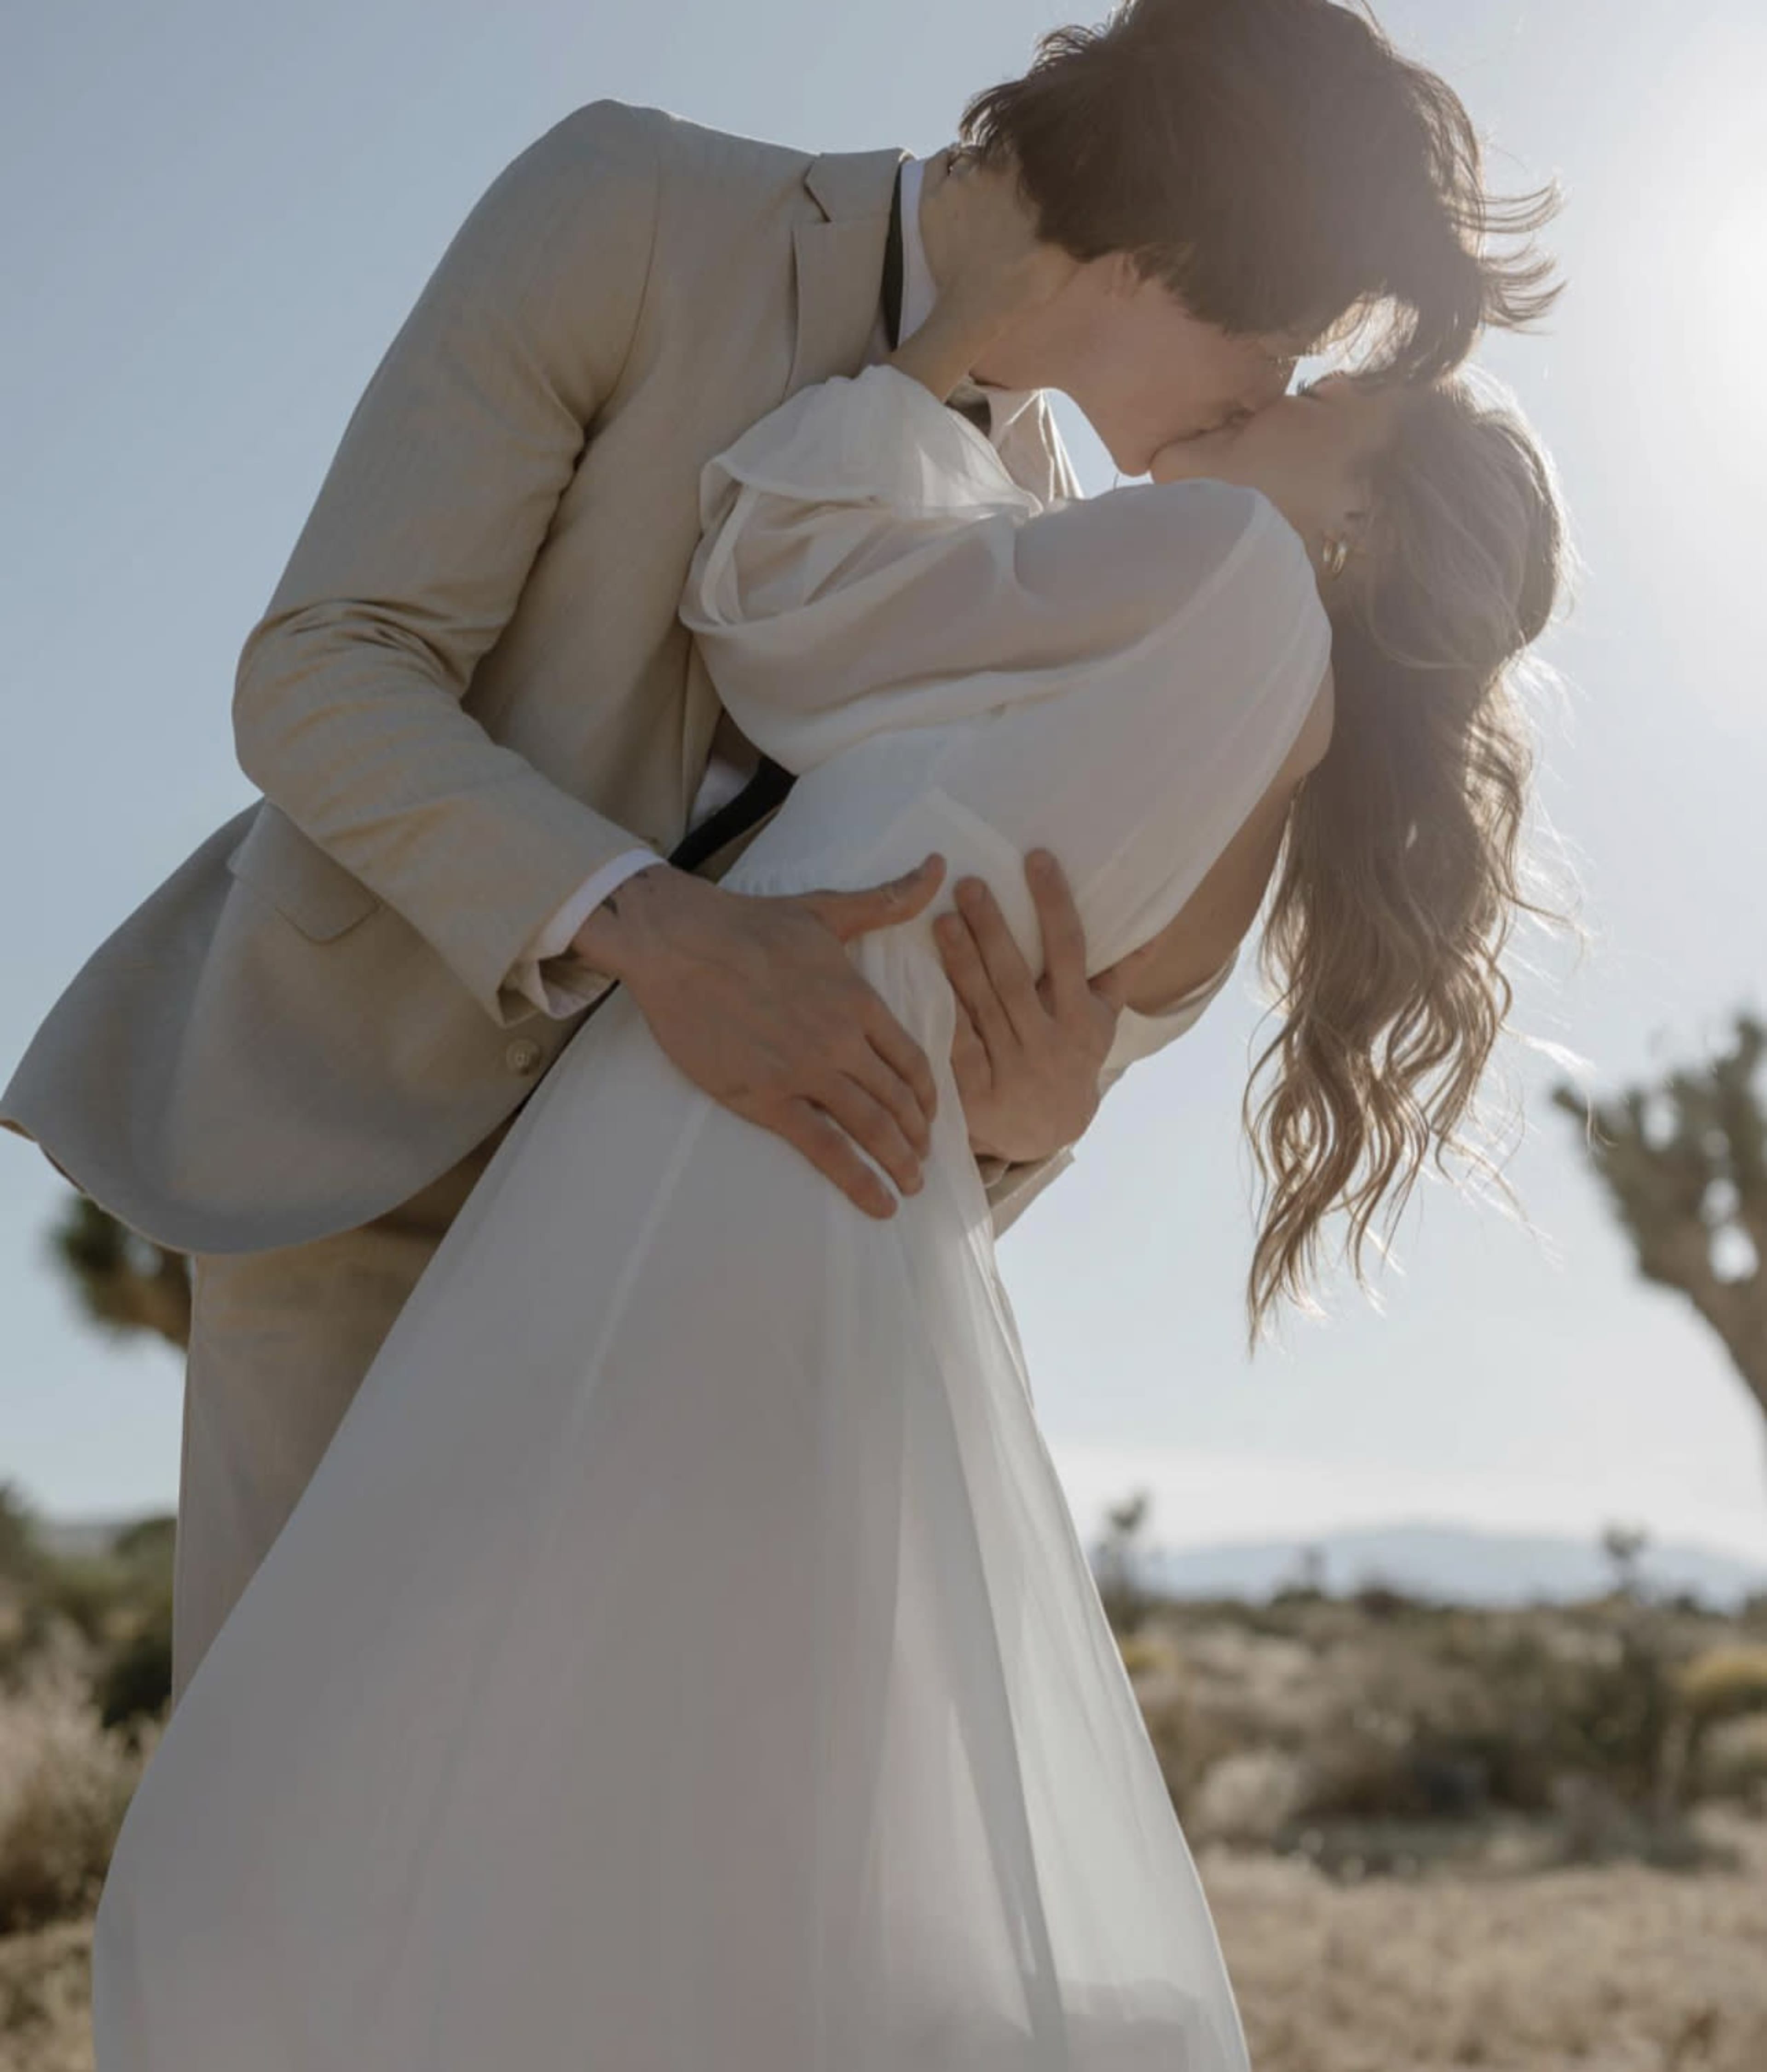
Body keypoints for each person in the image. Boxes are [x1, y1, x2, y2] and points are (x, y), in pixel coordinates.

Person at [86, 121, 1571, 2070]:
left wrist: (919, 377)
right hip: (612, 1210)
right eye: (1292, 346)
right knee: (622, 1865)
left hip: (669, 1199)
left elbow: (788, 617)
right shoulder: (651, 220)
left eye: (1325, 396)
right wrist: (992, 1072)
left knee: (332, 1855)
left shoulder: (1156, 542)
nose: (1275, 393)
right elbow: (1111, 996)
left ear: (1360, 527)